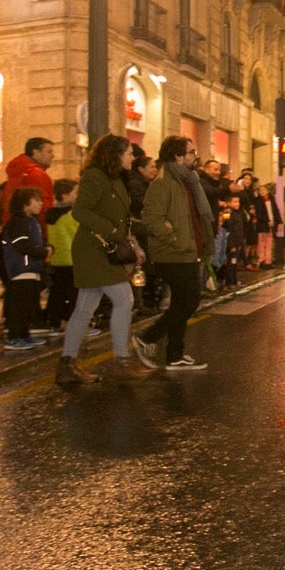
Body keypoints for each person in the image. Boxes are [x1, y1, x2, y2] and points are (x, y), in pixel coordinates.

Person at [55, 134, 156, 385]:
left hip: (105, 249)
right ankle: (121, 362)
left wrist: (132, 242)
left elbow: (121, 217)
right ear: (115, 155)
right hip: (93, 249)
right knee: (125, 299)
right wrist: (111, 232)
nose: (133, 158)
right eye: (129, 153)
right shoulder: (95, 177)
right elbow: (80, 211)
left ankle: (67, 365)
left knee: (84, 308)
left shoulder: (116, 179)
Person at [133, 137, 210, 371]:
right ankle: (146, 337)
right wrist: (176, 240)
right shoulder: (164, 183)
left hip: (187, 251)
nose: (194, 156)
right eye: (190, 152)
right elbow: (151, 220)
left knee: (181, 302)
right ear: (178, 156)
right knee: (189, 302)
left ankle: (175, 355)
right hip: (173, 253)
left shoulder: (186, 181)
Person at [0, 186, 50, 351]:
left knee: (29, 305)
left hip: (31, 269)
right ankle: (14, 337)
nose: (41, 203)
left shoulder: (31, 221)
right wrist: (43, 251)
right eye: (37, 200)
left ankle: (24, 334)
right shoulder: (18, 222)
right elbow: (22, 245)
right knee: (20, 305)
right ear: (25, 203)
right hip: (21, 269)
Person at [43, 178, 79, 332]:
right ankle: (75, 324)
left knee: (57, 292)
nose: (79, 195)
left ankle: (53, 322)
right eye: (76, 192)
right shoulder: (71, 215)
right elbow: (80, 234)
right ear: (64, 195)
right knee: (74, 293)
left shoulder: (50, 214)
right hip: (72, 258)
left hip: (57, 258)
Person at [1, 137, 54, 214]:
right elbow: (44, 207)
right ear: (35, 153)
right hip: (32, 223)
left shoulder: (18, 171)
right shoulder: (36, 175)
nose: (53, 155)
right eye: (49, 152)